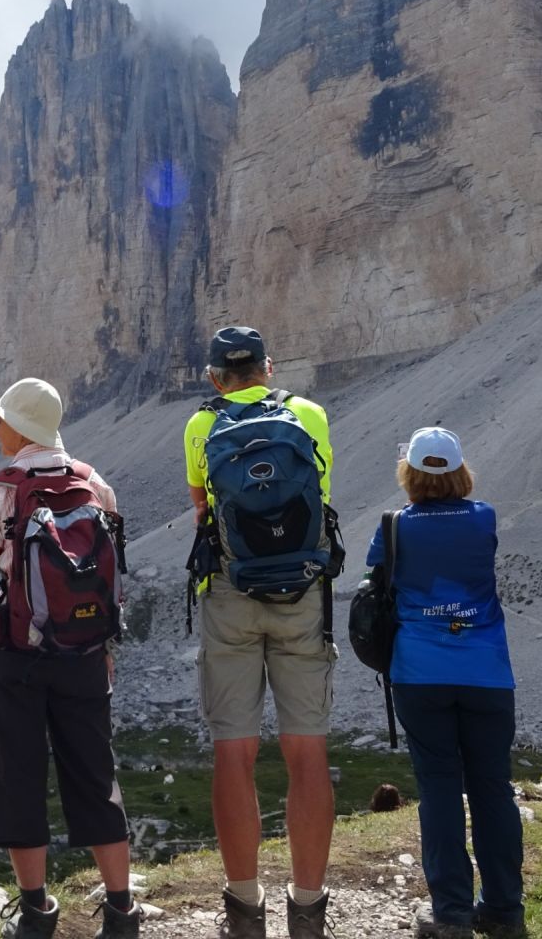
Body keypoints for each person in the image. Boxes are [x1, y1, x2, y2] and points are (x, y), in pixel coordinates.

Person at [0, 378, 138, 939]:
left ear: (19, 427)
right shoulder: (95, 484)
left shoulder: (2, 490)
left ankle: (36, 912)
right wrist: (102, 646)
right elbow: (108, 578)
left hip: (16, 656)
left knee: (18, 775)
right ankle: (122, 911)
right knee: (95, 774)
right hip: (83, 652)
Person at [183, 326, 336, 939]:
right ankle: (309, 910)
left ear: (215, 377)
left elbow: (202, 508)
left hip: (230, 592)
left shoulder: (201, 426)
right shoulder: (311, 415)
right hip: (303, 590)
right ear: (268, 369)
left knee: (234, 751)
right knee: (308, 751)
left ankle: (244, 910)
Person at [370, 427, 524, 939]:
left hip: (420, 672)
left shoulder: (395, 526)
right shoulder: (483, 517)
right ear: (460, 471)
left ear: (408, 472)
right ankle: (504, 910)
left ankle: (452, 914)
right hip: (486, 670)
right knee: (492, 788)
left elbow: (378, 579)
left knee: (439, 789)